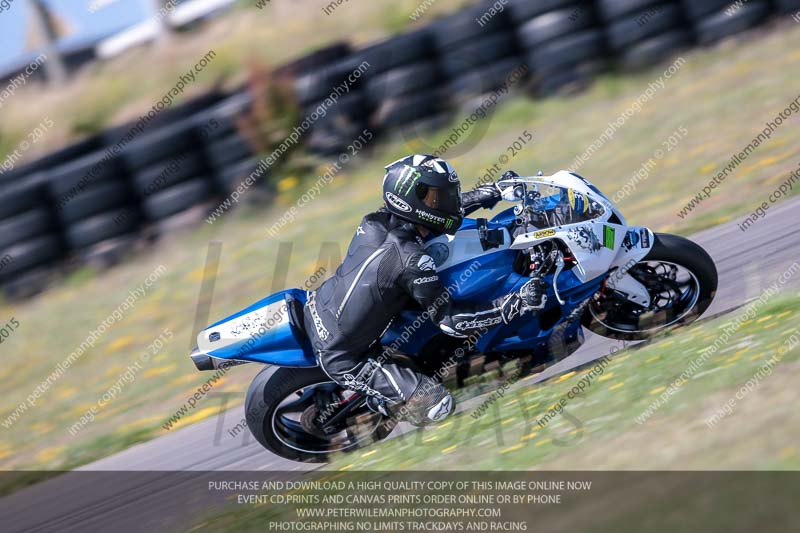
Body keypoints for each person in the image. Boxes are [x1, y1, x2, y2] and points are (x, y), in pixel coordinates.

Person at [302, 154, 545, 427]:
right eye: (436, 197)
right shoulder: (412, 260)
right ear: (412, 199)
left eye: (444, 195)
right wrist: (513, 304)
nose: (445, 201)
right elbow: (450, 321)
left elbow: (437, 219)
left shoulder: (376, 221)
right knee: (438, 405)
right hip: (345, 357)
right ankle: (382, 401)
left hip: (317, 306)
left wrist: (488, 194)